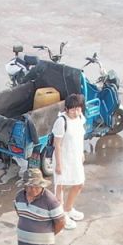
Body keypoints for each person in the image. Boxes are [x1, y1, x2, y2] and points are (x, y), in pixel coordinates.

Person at [50, 93, 87, 221]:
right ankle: (61, 217)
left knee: (79, 183)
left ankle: (68, 208)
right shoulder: (61, 121)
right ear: (66, 109)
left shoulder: (80, 118)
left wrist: (81, 153)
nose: (76, 111)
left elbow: (80, 137)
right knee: (60, 187)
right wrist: (59, 164)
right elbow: (57, 145)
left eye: (78, 108)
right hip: (64, 159)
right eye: (73, 109)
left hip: (75, 158)